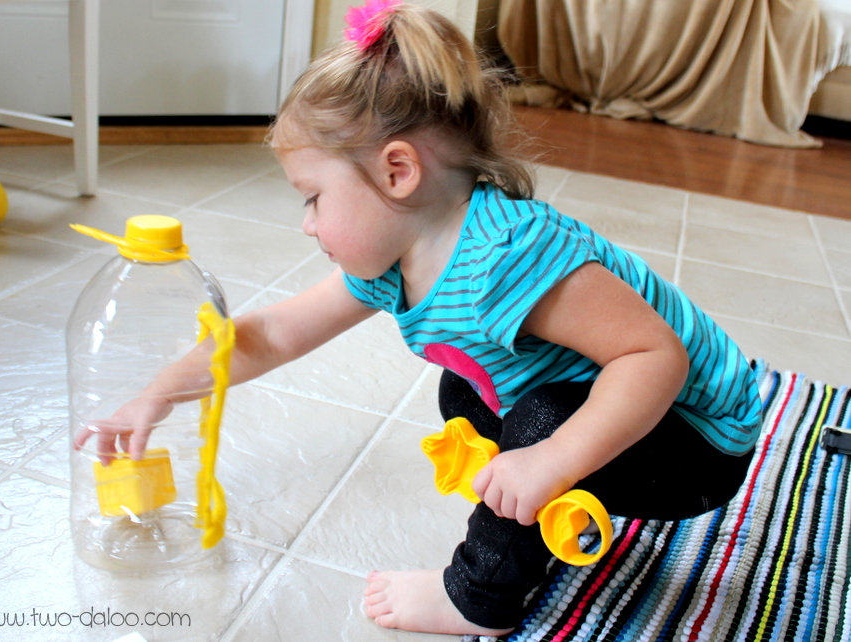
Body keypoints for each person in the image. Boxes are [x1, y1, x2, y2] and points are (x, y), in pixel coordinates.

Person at [76, 0, 763, 636]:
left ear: (397, 172)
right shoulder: (393, 259)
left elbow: (654, 357)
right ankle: (543, 498)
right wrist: (160, 393)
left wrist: (552, 459)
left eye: (313, 197)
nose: (308, 224)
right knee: (461, 390)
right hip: (632, 407)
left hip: (700, 442)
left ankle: (479, 598)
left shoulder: (506, 257)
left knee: (541, 423)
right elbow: (274, 334)